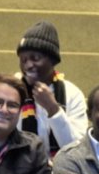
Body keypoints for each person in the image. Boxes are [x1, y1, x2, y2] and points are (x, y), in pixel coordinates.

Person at [15, 20, 86, 156]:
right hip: (21, 170)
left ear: (52, 60)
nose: (28, 65)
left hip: (63, 170)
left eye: (35, 58)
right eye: (23, 60)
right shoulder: (13, 91)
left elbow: (77, 149)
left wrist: (53, 109)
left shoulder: (72, 94)